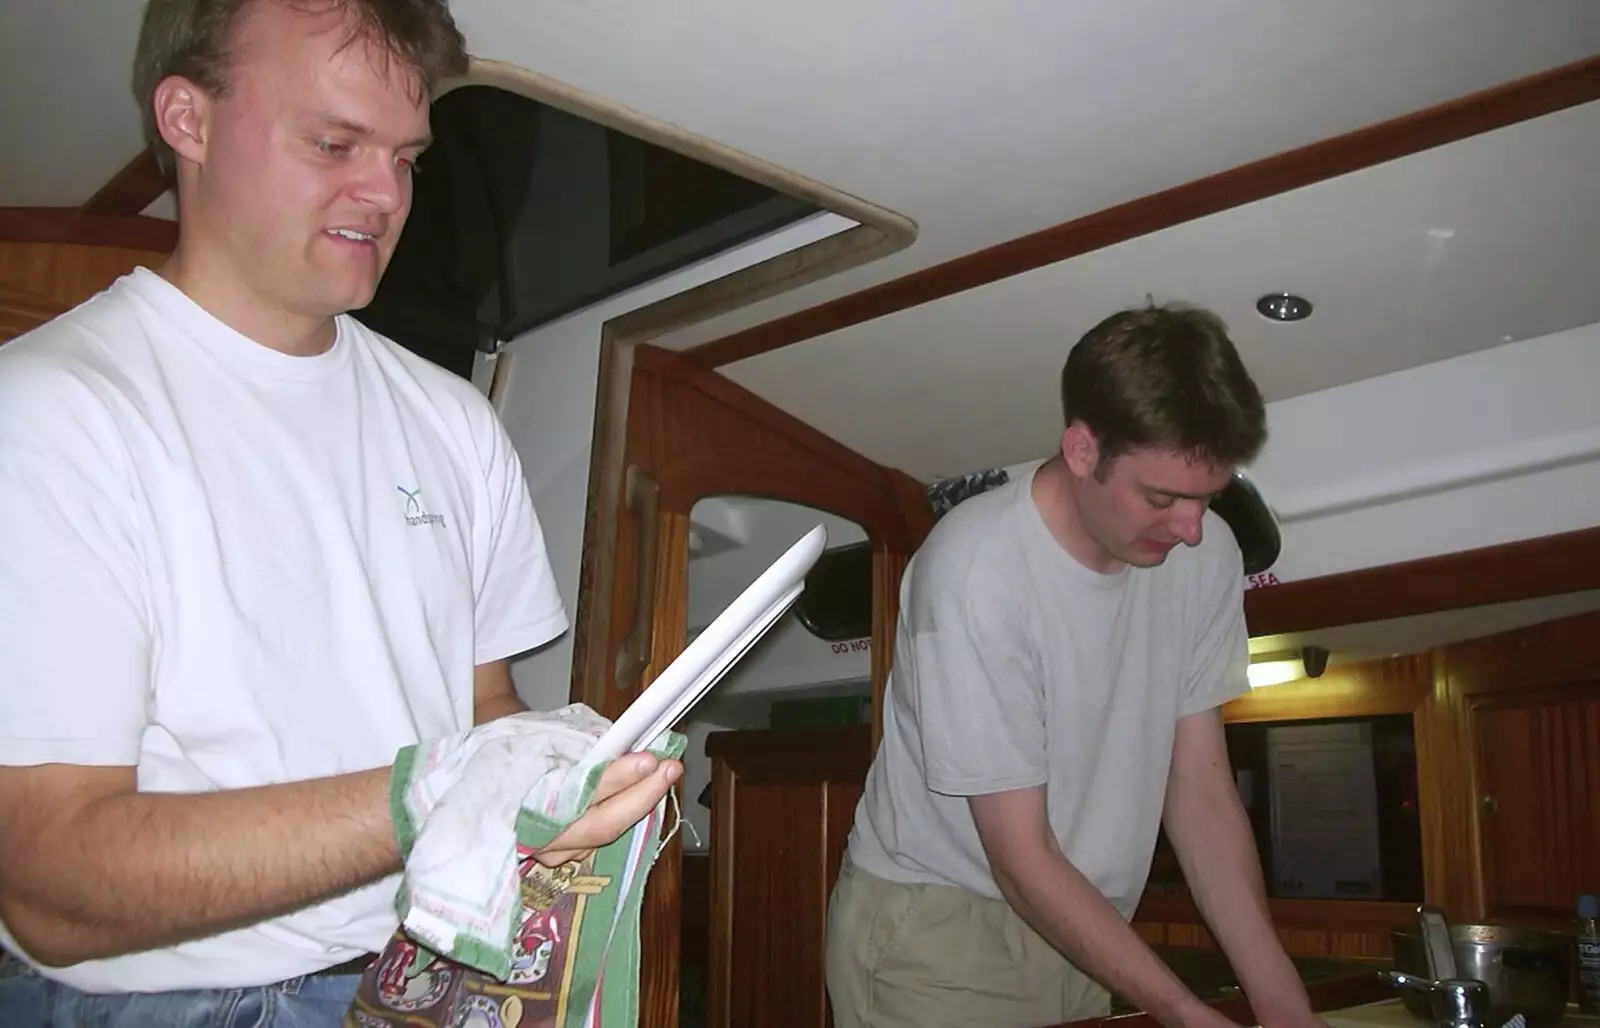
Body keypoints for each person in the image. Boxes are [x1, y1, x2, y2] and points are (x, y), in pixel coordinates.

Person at [0, 0, 680, 1023]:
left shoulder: (454, 421)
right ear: (185, 119)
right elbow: (49, 886)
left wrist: (555, 771)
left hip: (432, 976)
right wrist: (431, 796)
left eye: (406, 156)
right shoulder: (52, 411)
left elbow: (478, 702)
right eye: (334, 142)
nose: (385, 194)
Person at [825, 305, 1322, 1028]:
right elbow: (1020, 856)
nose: (1191, 528)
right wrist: (1182, 1012)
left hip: (1081, 923)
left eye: (1207, 498)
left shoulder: (1205, 555)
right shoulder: (974, 570)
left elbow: (1202, 793)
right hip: (937, 932)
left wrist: (1284, 1007)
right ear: (1083, 451)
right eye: (1162, 497)